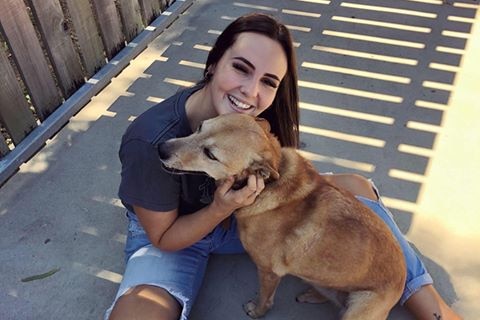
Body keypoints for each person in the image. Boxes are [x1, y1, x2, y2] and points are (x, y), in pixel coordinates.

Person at [105, 13, 462, 320]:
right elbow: (164, 238)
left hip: (240, 217)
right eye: (240, 68)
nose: (249, 92)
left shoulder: (255, 121)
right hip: (176, 229)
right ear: (213, 62)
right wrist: (221, 207)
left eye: (268, 82)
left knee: (357, 189)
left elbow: (290, 179)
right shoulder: (151, 143)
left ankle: (432, 306)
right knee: (141, 312)